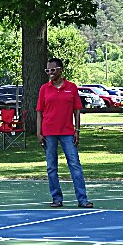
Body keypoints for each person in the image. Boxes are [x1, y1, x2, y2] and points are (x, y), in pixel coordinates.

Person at [36, 57, 93, 208]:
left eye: (53, 70)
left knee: (74, 164)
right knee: (51, 166)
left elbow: (77, 110)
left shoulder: (71, 87)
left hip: (67, 132)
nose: (50, 73)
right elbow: (39, 112)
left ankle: (82, 199)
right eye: (47, 70)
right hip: (49, 131)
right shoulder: (44, 89)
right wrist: (39, 132)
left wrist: (77, 131)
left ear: (60, 70)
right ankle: (56, 198)